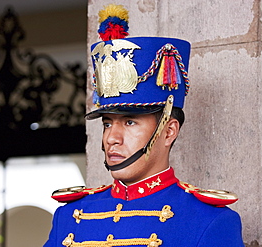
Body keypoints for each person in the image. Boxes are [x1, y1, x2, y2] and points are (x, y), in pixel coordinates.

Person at [44, 4, 244, 247]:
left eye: (129, 122)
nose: (111, 138)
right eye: (107, 124)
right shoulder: (67, 217)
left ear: (169, 131)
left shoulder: (209, 220)